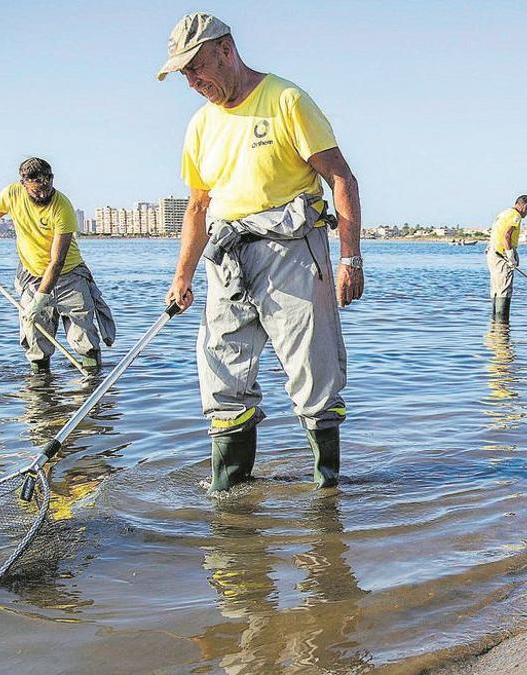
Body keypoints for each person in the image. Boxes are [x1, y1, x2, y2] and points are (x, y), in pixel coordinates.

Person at [158, 13, 363, 492]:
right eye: (183, 74)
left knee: (314, 372)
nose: (192, 81)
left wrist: (350, 257)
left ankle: (325, 491)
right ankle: (230, 503)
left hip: (291, 251)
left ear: (226, 50)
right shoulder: (200, 125)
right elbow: (198, 204)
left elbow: (341, 178)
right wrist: (182, 276)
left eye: (196, 67)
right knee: (221, 375)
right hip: (227, 260)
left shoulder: (286, 100)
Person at [0, 157, 115, 371]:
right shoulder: (10, 194)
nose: (43, 194)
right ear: (23, 183)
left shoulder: (61, 206)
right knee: (35, 338)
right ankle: (40, 391)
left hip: (69, 276)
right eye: (37, 190)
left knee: (84, 338)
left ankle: (91, 382)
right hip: (32, 275)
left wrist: (40, 301)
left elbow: (57, 261)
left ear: (51, 179)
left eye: (47, 186)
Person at [486, 195, 527, 321]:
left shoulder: (504, 213)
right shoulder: (515, 216)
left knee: (496, 288)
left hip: (493, 254)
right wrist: (510, 256)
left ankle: (496, 322)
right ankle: (502, 322)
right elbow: (507, 235)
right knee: (504, 289)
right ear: (525, 206)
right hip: (501, 256)